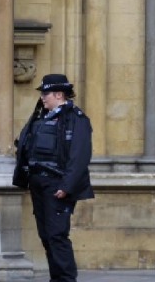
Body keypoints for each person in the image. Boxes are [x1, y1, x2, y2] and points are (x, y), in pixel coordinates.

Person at [13, 73, 94, 282]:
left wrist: (67, 185)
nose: (42, 97)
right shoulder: (41, 117)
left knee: (57, 235)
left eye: (46, 93)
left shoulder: (75, 118)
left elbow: (79, 155)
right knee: (46, 236)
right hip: (39, 183)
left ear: (59, 94)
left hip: (57, 185)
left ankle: (66, 279)